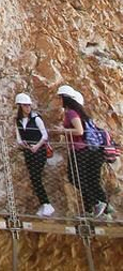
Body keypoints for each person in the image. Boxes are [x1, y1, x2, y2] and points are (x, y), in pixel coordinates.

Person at [56, 85, 110, 217]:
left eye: (60, 97)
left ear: (65, 98)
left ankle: (97, 203)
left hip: (79, 150)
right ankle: (92, 210)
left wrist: (63, 131)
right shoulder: (80, 112)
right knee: (85, 178)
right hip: (86, 150)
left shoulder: (71, 113)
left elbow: (79, 131)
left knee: (74, 177)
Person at [14, 92, 55, 216]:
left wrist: (36, 146)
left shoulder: (36, 118)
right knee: (34, 177)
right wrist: (24, 145)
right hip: (28, 151)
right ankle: (45, 204)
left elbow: (44, 135)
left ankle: (47, 204)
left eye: (28, 105)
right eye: (25, 105)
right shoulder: (19, 121)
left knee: (36, 176)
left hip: (39, 151)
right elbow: (19, 138)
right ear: (20, 107)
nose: (27, 108)